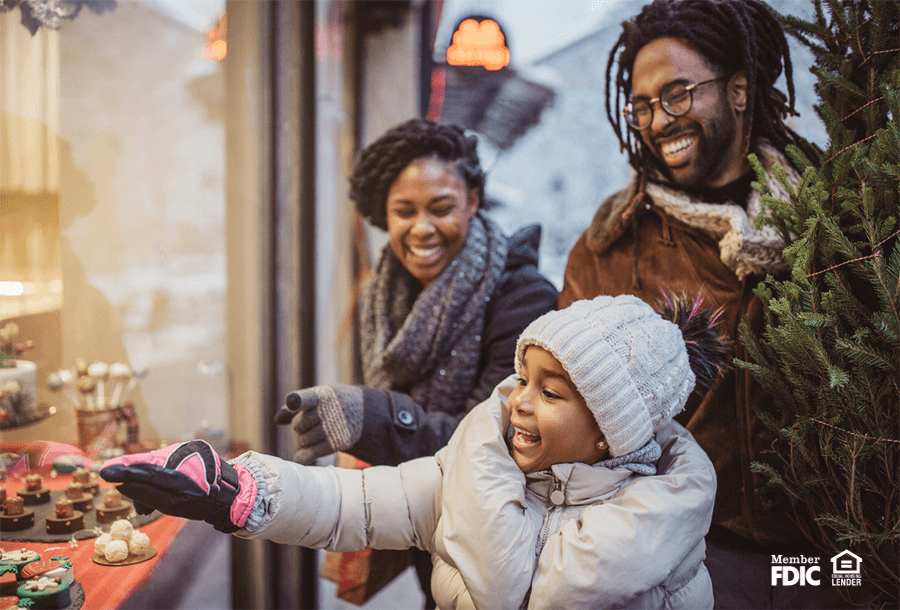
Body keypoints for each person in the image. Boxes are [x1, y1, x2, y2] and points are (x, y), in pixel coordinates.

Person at [100, 293, 727, 609]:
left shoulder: (658, 518)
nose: (519, 403)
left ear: (610, 431)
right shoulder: (483, 464)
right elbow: (362, 504)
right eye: (524, 381)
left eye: (551, 392)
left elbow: (544, 593)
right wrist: (239, 491)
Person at [560, 1, 825, 607]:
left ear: (738, 90)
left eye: (678, 94)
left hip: (826, 561)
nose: (658, 119)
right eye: (643, 105)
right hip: (690, 561)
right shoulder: (609, 249)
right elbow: (563, 417)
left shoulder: (832, 218)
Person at [273, 118, 558, 605]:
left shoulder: (523, 298)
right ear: (384, 216)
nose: (422, 228)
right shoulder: (379, 299)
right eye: (404, 211)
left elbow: (497, 439)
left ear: (471, 201)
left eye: (441, 208)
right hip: (428, 543)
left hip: (505, 555)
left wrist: (372, 416)